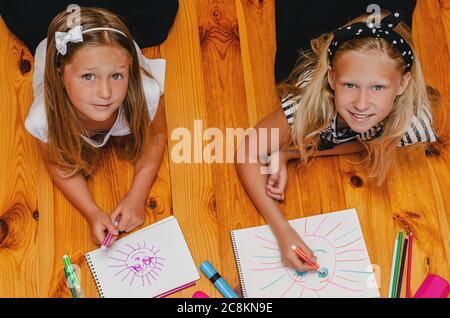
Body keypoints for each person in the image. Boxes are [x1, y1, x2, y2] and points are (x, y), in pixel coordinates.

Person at [236, 10, 439, 272]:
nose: (362, 104)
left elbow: (372, 140)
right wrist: (282, 230)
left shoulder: (412, 120)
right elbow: (246, 151)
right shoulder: (304, 104)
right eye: (349, 85)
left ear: (402, 84)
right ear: (331, 78)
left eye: (378, 87)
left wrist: (291, 153)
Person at [24, 6, 168, 246]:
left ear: (129, 69)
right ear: (59, 75)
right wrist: (91, 211)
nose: (105, 93)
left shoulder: (145, 93)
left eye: (117, 76)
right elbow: (56, 164)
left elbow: (156, 137)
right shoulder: (44, 118)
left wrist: (137, 197)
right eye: (88, 77)